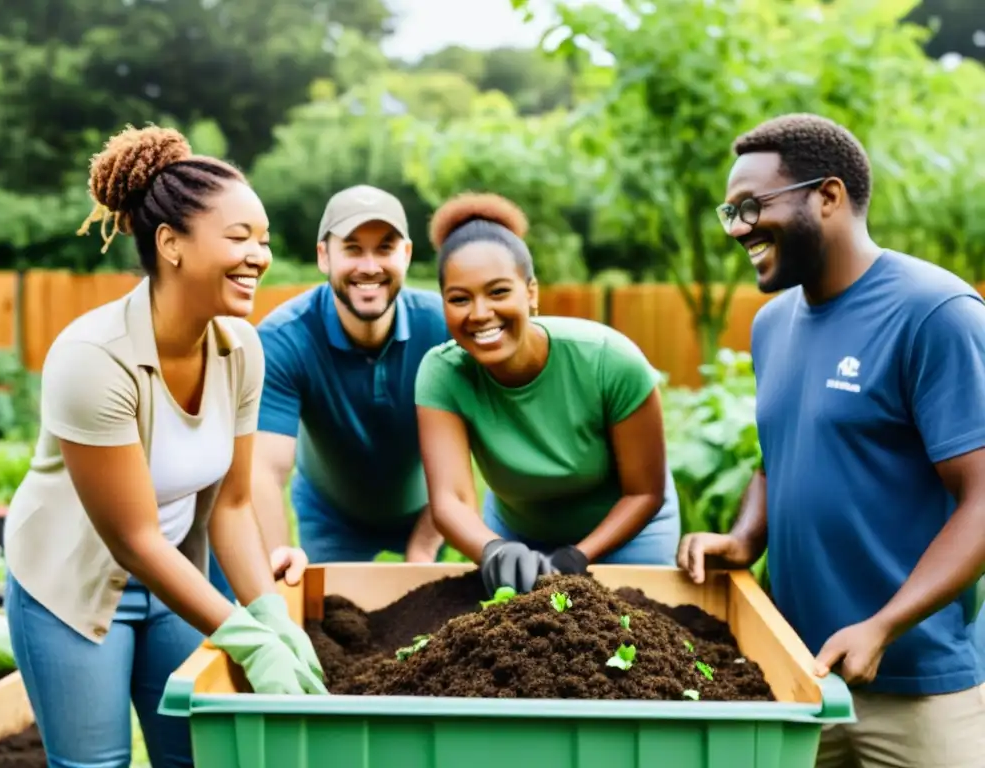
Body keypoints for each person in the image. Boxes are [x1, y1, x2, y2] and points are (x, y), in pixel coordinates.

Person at [3, 125, 327, 768]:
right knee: (97, 764)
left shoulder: (242, 349)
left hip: (176, 576)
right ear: (171, 243)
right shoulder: (94, 358)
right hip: (72, 582)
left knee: (196, 756)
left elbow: (231, 508)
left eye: (262, 240)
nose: (259, 256)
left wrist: (271, 615)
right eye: (238, 238)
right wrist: (249, 642)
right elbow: (132, 539)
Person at [679, 113, 985, 767]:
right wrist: (743, 538)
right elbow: (778, 459)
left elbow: (982, 499)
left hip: (920, 694)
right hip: (795, 676)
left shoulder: (934, 314)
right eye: (729, 211)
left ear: (829, 195)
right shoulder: (771, 326)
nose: (737, 228)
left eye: (752, 206)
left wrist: (884, 626)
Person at [413, 192, 681, 596]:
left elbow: (645, 492)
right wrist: (495, 551)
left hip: (626, 536)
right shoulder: (443, 373)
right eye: (459, 299)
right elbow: (450, 500)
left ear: (531, 292)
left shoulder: (609, 360)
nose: (480, 313)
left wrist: (577, 556)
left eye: (498, 292)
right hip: (517, 538)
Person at [241, 184, 450, 571]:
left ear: (406, 254)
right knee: (330, 623)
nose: (369, 266)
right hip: (331, 514)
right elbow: (264, 470)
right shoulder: (283, 338)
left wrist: (422, 551)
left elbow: (470, 450)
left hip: (430, 507)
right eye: (352, 248)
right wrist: (279, 563)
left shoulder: (443, 327)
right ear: (324, 256)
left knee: (433, 624)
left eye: (385, 248)